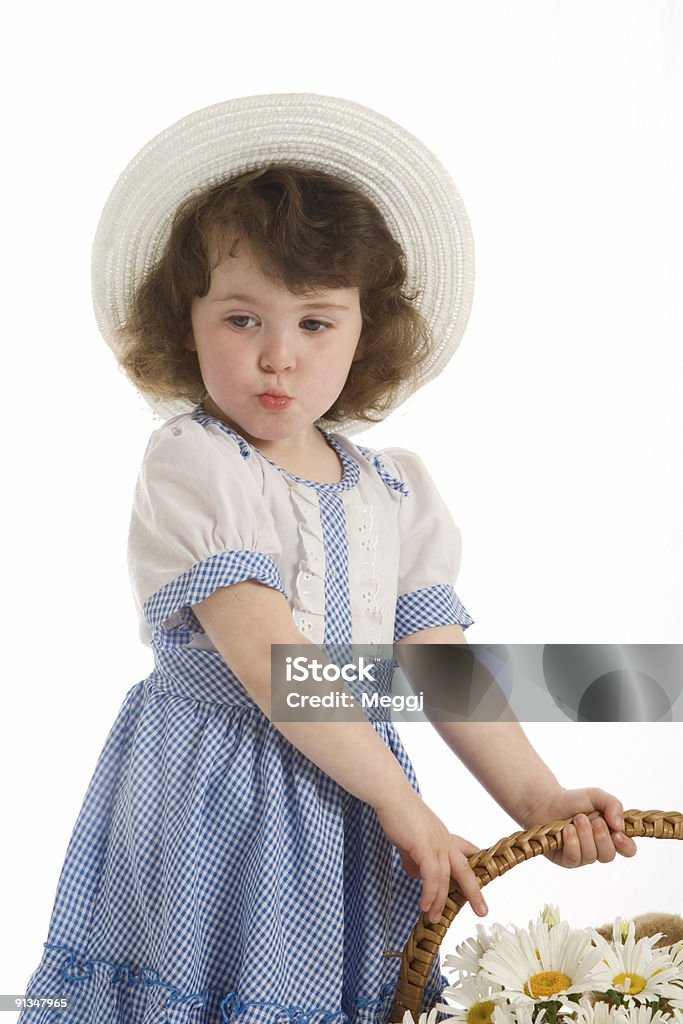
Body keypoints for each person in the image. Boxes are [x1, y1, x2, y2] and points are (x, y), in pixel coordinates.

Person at [19, 94, 637, 1024]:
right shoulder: (199, 465)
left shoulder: (394, 489)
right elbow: (274, 664)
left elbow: (437, 668)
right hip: (216, 799)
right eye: (241, 320)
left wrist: (540, 798)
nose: (277, 358)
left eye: (315, 323)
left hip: (348, 804)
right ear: (183, 323)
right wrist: (404, 806)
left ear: (365, 331)